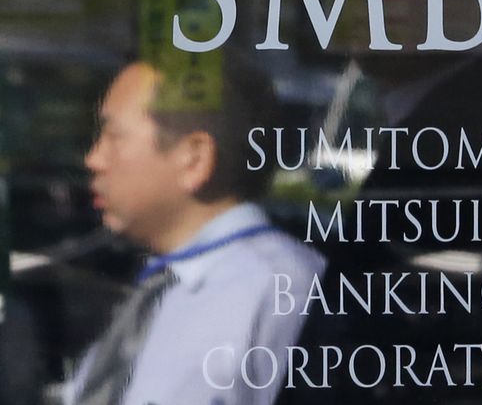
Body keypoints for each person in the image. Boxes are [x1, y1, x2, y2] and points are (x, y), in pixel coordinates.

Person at [64, 56, 326, 405]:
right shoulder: (154, 288)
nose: (94, 159)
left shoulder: (278, 289)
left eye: (114, 136)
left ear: (194, 159)